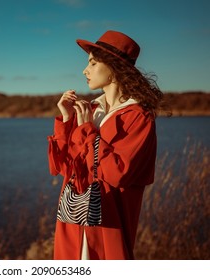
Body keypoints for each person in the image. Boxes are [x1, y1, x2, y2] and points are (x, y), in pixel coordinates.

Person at [47, 30, 165, 259]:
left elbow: (118, 173)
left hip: (108, 230)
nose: (85, 70)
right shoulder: (90, 111)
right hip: (72, 226)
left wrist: (88, 132)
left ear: (114, 67)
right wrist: (66, 121)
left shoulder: (138, 117)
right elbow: (60, 169)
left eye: (92, 63)